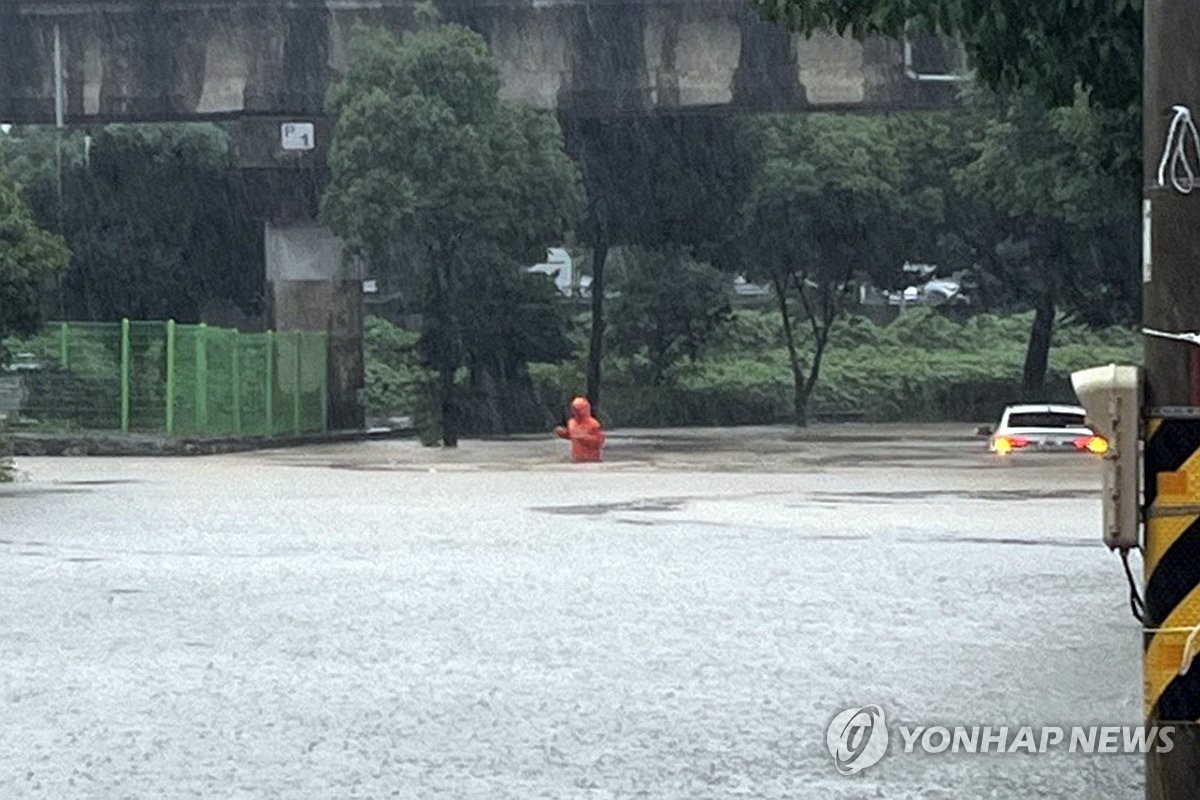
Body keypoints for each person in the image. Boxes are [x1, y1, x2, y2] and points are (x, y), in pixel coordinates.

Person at [555, 396, 605, 462]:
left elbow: (599, 442)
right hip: (576, 459)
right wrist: (563, 433)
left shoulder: (594, 424)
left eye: (579, 409)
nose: (577, 411)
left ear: (585, 408)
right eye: (574, 409)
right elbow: (572, 435)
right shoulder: (571, 422)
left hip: (592, 460)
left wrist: (584, 437)